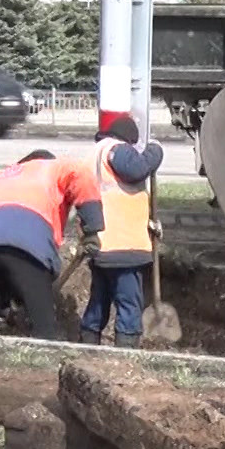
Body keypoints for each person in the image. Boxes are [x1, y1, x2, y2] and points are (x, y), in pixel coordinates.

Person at [0, 150, 104, 340]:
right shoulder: (51, 168)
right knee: (44, 325)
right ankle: (45, 359)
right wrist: (91, 230)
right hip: (25, 237)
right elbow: (81, 174)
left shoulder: (4, 177)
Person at [79, 117, 165, 348]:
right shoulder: (114, 149)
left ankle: (88, 344)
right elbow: (136, 169)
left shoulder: (95, 154)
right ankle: (126, 353)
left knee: (99, 300)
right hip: (122, 244)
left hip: (101, 244)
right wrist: (155, 152)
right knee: (129, 302)